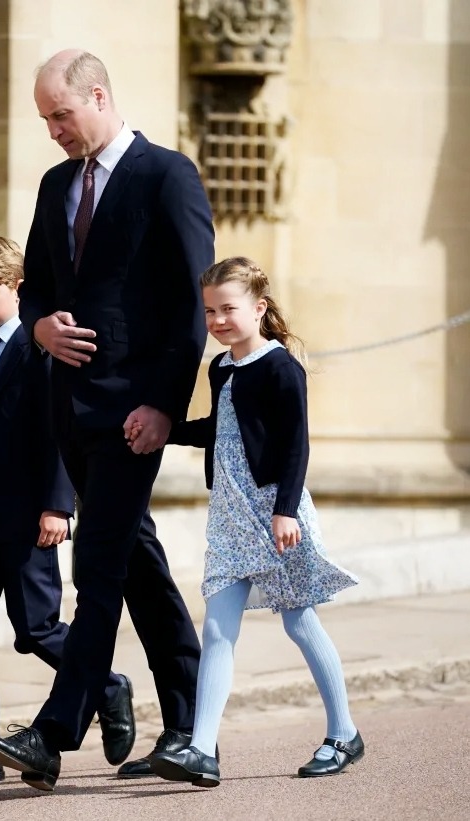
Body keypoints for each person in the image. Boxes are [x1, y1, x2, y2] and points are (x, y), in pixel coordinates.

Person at [0, 50, 215, 791]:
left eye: (60, 115)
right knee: (134, 558)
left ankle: (53, 733)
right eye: (44, 118)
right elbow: (38, 291)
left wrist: (164, 407)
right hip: (69, 414)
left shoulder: (166, 176)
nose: (50, 131)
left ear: (99, 97)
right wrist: (39, 328)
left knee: (100, 564)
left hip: (134, 415)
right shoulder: (54, 186)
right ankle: (189, 723)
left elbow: (191, 304)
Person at [129, 256, 362, 788]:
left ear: (258, 308)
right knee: (215, 629)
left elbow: (295, 444)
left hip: (275, 512)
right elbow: (222, 429)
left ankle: (344, 733)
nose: (217, 321)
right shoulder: (222, 368)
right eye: (209, 311)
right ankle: (203, 751)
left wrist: (284, 511)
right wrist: (168, 430)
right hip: (231, 513)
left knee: (299, 621)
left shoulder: (281, 367)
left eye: (228, 309)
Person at [0, 236, 135, 791]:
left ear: (18, 289)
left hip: (29, 520)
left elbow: (59, 436)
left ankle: (107, 685)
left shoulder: (42, 354)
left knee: (37, 630)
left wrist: (57, 505)